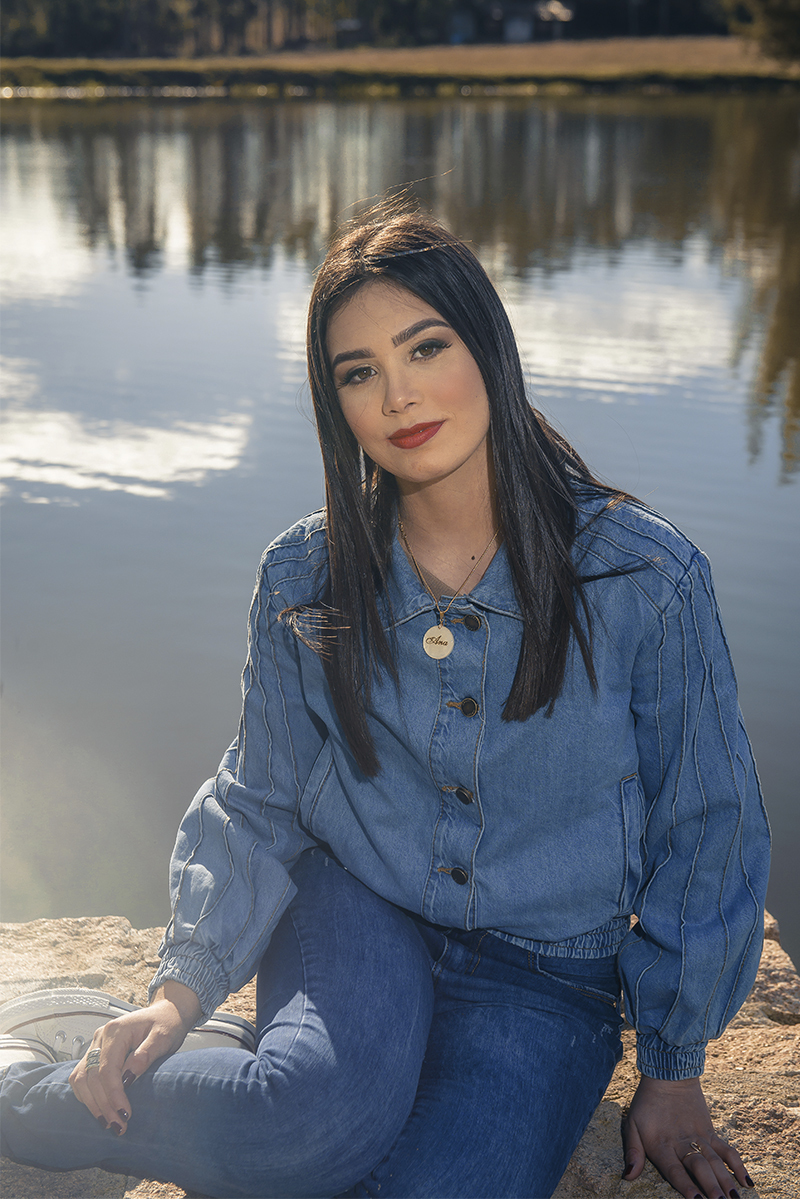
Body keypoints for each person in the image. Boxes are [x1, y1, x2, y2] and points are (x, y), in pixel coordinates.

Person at [0, 208, 770, 1200]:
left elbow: (705, 830)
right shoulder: (305, 572)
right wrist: (177, 993)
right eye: (356, 371)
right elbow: (260, 792)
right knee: (307, 1126)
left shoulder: (642, 581)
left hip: (545, 978)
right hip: (352, 914)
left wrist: (672, 1069)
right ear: (335, 403)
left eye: (424, 347)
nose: (397, 394)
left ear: (485, 344)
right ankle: (27, 1091)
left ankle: (258, 1071)